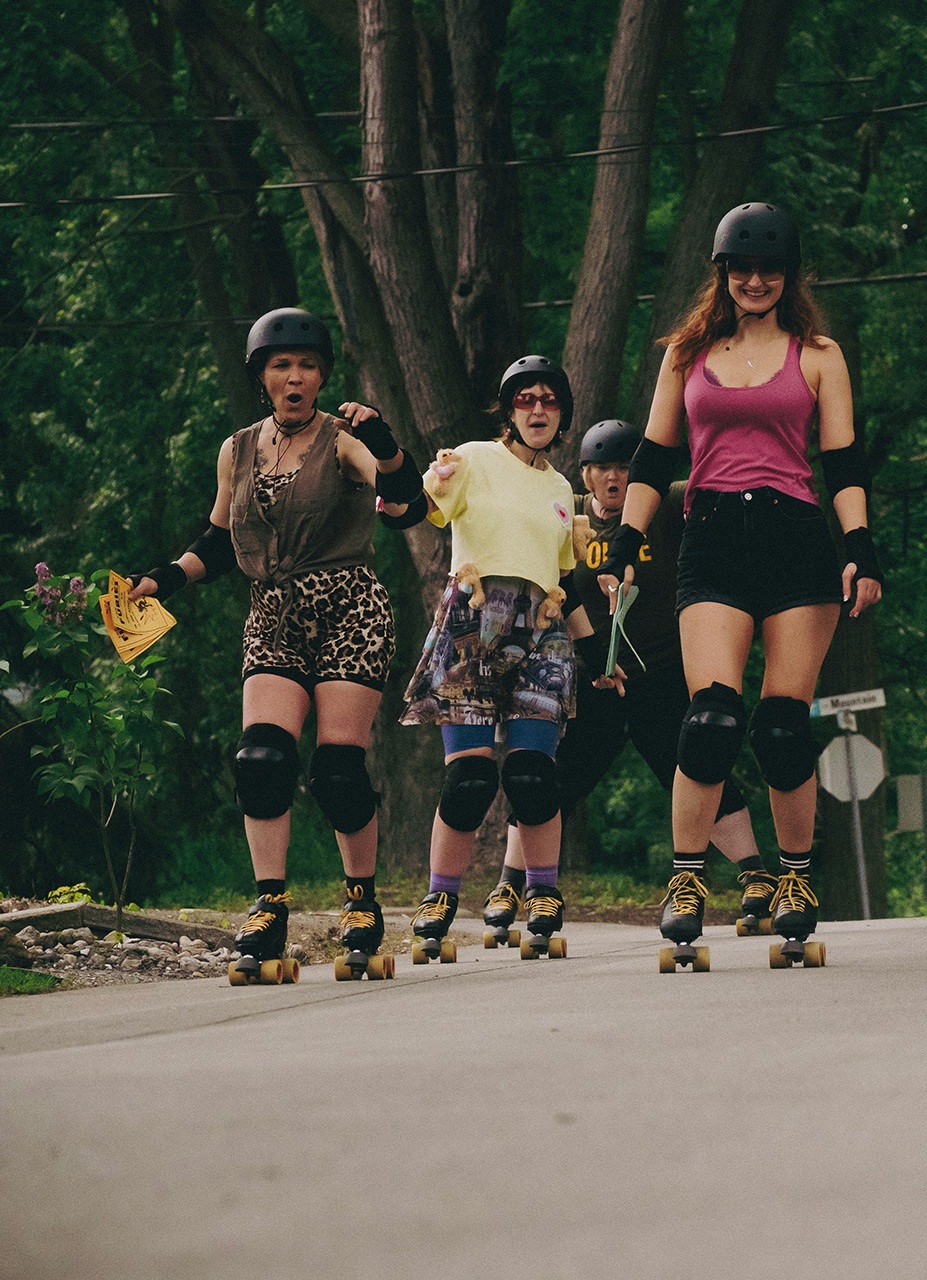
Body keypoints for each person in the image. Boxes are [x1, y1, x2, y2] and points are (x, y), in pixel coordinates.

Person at [601, 202, 882, 967]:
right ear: (722, 273)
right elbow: (654, 456)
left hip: (795, 541)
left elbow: (844, 461)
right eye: (742, 269)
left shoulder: (818, 354)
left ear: (789, 275)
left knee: (782, 728)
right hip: (713, 539)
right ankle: (687, 881)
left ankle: (793, 879)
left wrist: (859, 548)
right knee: (711, 720)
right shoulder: (686, 352)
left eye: (769, 270)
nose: (755, 281)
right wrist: (626, 541)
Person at [129, 307, 424, 982]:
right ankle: (270, 906)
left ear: (322, 375)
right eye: (281, 366)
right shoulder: (236, 449)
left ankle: (360, 901)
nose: (295, 378)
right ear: (261, 376)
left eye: (308, 366)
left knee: (337, 771)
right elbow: (219, 543)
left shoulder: (344, 440)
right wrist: (161, 581)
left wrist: (384, 444)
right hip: (273, 614)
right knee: (261, 760)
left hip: (350, 609)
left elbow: (404, 498)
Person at [482, 419, 766, 941]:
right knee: (551, 775)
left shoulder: (667, 504)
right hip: (592, 675)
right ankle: (510, 883)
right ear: (584, 474)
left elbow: (717, 482)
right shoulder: (564, 509)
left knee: (693, 767)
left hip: (663, 672)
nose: (614, 479)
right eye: (602, 468)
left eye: (624, 468)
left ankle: (756, 878)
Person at [400, 356, 587, 961]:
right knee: (470, 780)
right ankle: (440, 898)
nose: (538, 409)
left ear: (562, 415)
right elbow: (419, 508)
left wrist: (600, 657)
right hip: (473, 627)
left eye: (549, 400)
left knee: (533, 775)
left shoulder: (562, 490)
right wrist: (403, 482)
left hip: (541, 633)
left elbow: (564, 581)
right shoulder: (473, 458)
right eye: (526, 399)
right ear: (509, 410)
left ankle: (543, 895)